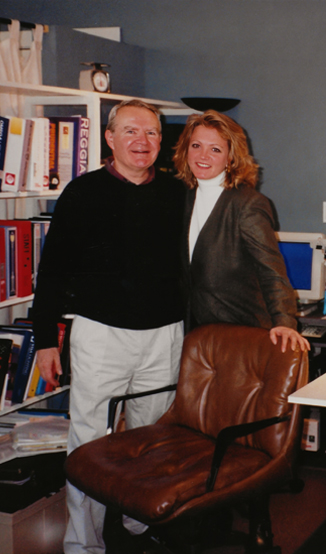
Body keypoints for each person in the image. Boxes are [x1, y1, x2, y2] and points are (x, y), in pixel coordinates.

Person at [32, 99, 185, 554]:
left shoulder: (179, 194)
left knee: (153, 438)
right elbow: (53, 271)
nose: (143, 141)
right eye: (132, 132)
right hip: (101, 335)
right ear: (110, 138)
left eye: (153, 133)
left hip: (166, 335)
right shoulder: (82, 193)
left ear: (162, 141)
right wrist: (44, 341)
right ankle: (84, 544)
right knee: (90, 443)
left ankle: (142, 524)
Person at [173, 109, 309, 353]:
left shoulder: (248, 204)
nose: (203, 155)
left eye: (215, 149)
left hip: (241, 334)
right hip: (196, 334)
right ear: (185, 150)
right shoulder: (183, 198)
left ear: (230, 157)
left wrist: (284, 321)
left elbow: (271, 270)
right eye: (196, 145)